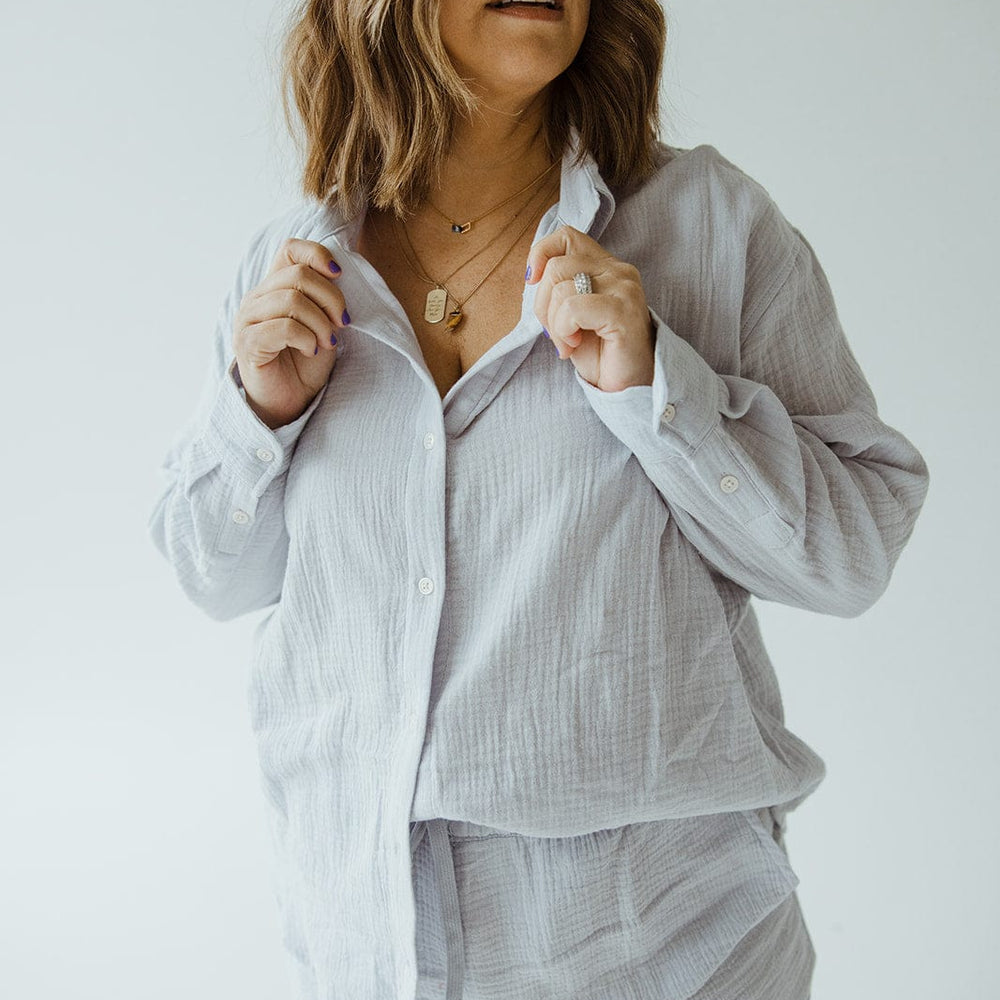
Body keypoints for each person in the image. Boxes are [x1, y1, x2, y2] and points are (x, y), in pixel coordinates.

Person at [148, 1, 929, 997]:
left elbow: (853, 551)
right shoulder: (293, 262)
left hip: (672, 956)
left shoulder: (705, 227)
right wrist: (260, 410)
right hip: (367, 950)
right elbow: (215, 577)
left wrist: (656, 389)